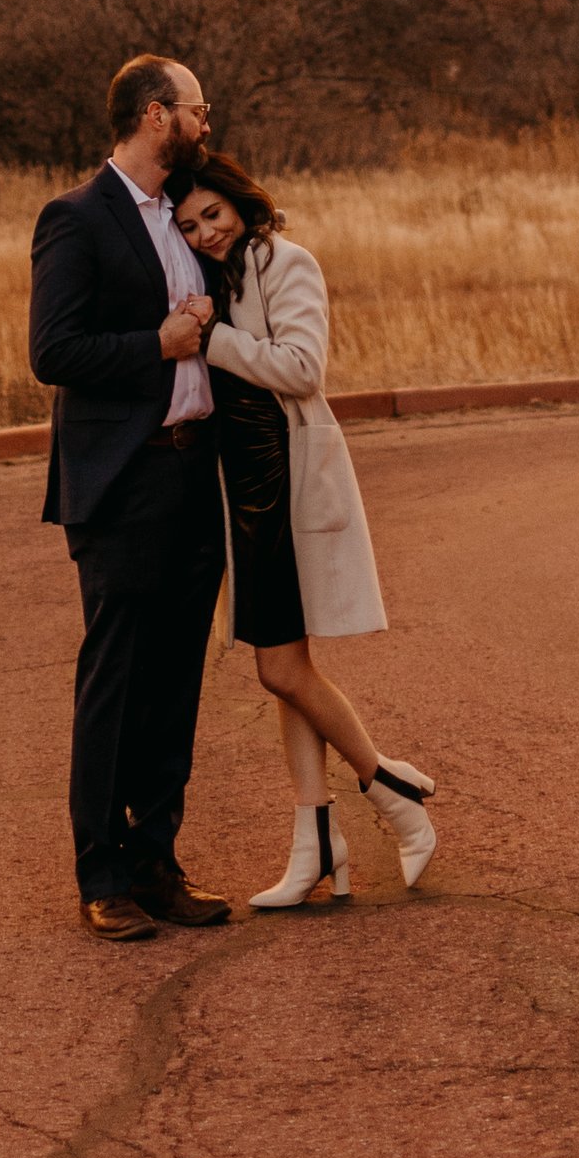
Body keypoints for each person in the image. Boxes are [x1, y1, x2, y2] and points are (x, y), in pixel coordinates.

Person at [168, 149, 438, 907]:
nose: (204, 234)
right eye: (187, 226)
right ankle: (316, 845)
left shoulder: (288, 262)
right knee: (285, 674)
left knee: (280, 671)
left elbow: (302, 368)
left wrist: (211, 337)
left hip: (288, 485)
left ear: (241, 203)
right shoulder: (211, 280)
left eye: (212, 215)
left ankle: (389, 789)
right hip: (244, 493)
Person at [28, 54, 234, 940]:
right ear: (157, 116)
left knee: (178, 680)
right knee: (115, 680)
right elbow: (55, 352)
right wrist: (153, 345)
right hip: (122, 479)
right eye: (196, 109)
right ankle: (100, 873)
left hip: (195, 473)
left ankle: (157, 862)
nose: (206, 120)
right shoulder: (75, 219)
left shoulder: (192, 220)